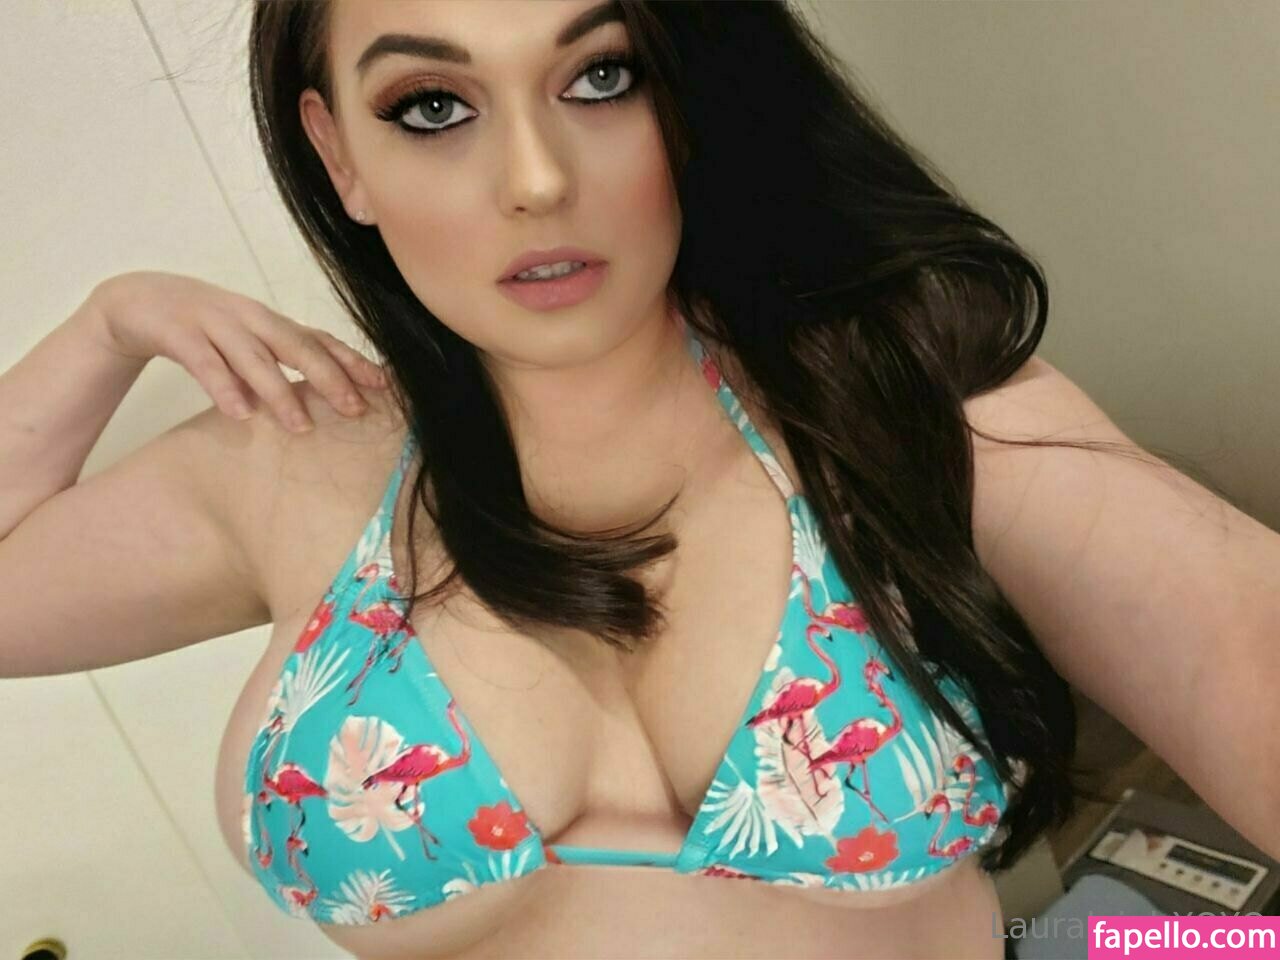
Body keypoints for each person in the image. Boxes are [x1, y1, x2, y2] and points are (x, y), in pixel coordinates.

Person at [3, 2, 1278, 958]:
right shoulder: (290, 458)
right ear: (338, 157)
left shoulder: (905, 408)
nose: (536, 180)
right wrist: (107, 325)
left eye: (600, 77)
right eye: (432, 106)